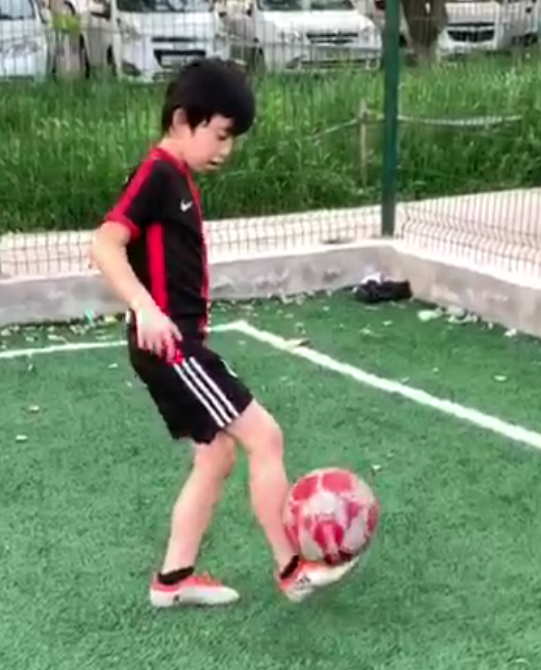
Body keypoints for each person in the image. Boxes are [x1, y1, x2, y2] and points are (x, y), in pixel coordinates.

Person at [90, 57, 357, 609]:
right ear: (182, 120)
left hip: (176, 346)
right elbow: (105, 242)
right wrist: (145, 308)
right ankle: (292, 568)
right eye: (220, 134)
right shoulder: (157, 173)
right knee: (266, 437)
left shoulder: (179, 176)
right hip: (172, 347)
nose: (226, 149)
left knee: (216, 458)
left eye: (232, 138)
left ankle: (173, 579)